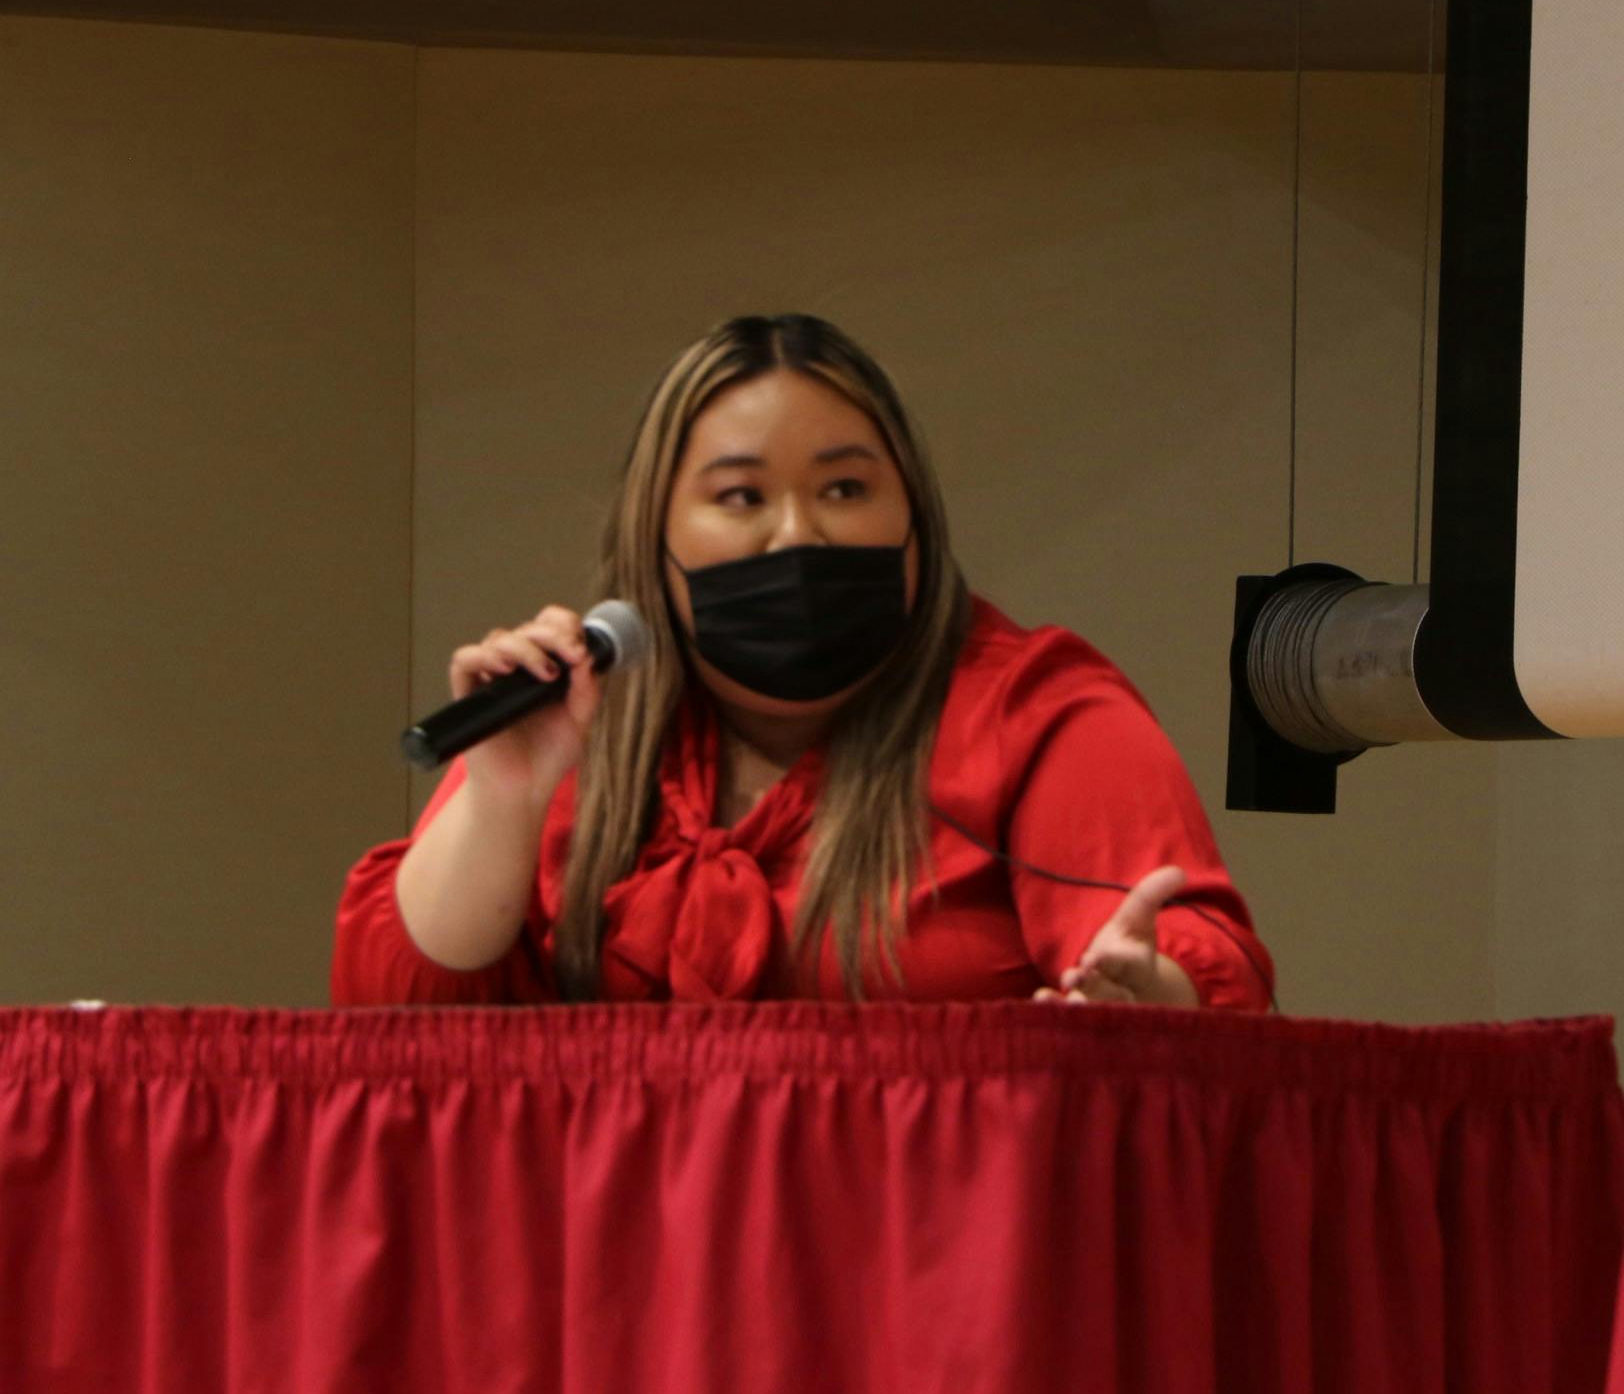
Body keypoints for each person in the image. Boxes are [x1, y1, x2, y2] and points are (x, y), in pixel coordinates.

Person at [330, 314, 1274, 1010]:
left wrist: (1155, 1001)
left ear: (915, 519)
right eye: (741, 497)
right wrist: (504, 795)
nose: (797, 533)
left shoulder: (1037, 711)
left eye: (845, 487)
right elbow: (391, 1032)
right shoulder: (575, 719)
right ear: (655, 541)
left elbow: (1189, 968)